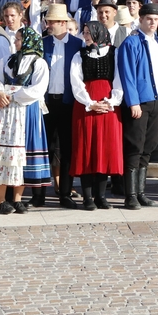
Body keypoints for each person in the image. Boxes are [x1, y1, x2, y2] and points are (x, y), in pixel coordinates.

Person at [0, 26, 49, 214]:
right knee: (3, 153)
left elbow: (38, 89)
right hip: (4, 112)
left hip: (26, 111)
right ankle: (1, 200)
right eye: (15, 38)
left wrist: (12, 94)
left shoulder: (39, 63)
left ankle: (17, 199)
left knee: (21, 156)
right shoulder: (6, 60)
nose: (15, 42)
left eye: (18, 39)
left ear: (27, 41)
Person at [117, 2, 158, 209]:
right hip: (140, 101)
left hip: (157, 100)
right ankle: (130, 194)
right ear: (140, 20)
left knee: (149, 146)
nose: (153, 22)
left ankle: (141, 192)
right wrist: (133, 102)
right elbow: (127, 75)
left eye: (156, 19)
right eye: (149, 19)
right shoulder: (131, 43)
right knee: (135, 146)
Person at [70, 21, 125, 210]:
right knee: (86, 149)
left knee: (104, 149)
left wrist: (110, 102)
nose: (85, 36)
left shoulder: (114, 53)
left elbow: (119, 79)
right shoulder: (79, 55)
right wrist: (90, 103)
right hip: (86, 106)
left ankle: (101, 196)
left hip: (108, 106)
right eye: (84, 32)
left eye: (88, 33)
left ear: (98, 33)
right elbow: (76, 82)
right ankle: (87, 197)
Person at [42, 3, 84, 208]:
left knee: (67, 149)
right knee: (44, 148)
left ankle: (65, 192)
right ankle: (39, 193)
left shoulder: (77, 44)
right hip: (47, 102)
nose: (48, 25)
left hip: (68, 102)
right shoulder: (43, 43)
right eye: (48, 22)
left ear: (62, 23)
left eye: (51, 22)